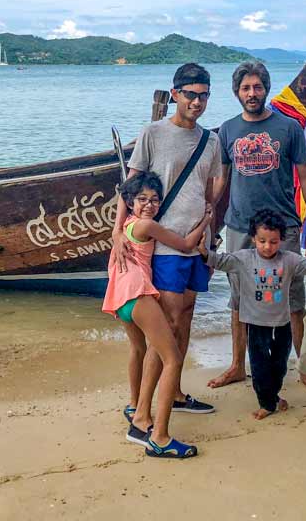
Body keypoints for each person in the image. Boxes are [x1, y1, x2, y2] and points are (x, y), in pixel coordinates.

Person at [112, 62, 224, 415]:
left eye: (204, 96)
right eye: (190, 94)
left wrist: (212, 234)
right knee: (169, 323)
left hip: (196, 244)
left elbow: (208, 192)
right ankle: (146, 406)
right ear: (175, 94)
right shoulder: (154, 133)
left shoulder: (211, 141)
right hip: (166, 246)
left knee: (186, 317)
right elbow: (130, 186)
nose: (197, 102)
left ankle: (173, 394)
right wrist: (117, 231)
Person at [208, 61, 306, 394]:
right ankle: (236, 366)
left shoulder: (288, 127)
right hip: (239, 227)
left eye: (257, 87)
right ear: (236, 93)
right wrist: (209, 224)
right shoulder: (227, 130)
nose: (252, 93)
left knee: (292, 298)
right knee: (238, 299)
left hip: (284, 226)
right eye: (245, 88)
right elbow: (222, 182)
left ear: (266, 89)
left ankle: (304, 368)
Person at [102, 172, 211, 458]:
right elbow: (186, 245)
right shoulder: (146, 225)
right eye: (142, 200)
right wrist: (206, 221)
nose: (149, 205)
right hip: (137, 293)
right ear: (129, 201)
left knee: (139, 348)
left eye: (154, 200)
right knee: (172, 357)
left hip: (120, 298)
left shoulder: (125, 226)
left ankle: (136, 411)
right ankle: (159, 437)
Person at [206, 210, 306, 419]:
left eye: (273, 241)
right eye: (262, 240)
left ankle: (273, 396)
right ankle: (267, 403)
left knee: (279, 366)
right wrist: (202, 251)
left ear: (281, 240)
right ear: (253, 238)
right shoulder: (244, 258)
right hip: (255, 325)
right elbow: (219, 261)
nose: (267, 246)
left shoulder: (289, 260)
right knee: (259, 367)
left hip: (282, 325)